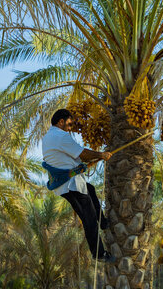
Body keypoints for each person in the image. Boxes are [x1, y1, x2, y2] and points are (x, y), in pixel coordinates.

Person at [42, 109, 116, 263]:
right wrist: (101, 155)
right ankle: (99, 254)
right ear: (61, 121)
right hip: (71, 185)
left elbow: (64, 159)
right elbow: (81, 153)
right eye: (69, 124)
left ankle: (103, 222)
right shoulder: (61, 136)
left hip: (64, 184)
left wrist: (82, 164)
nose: (70, 128)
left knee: (90, 189)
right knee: (88, 217)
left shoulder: (48, 137)